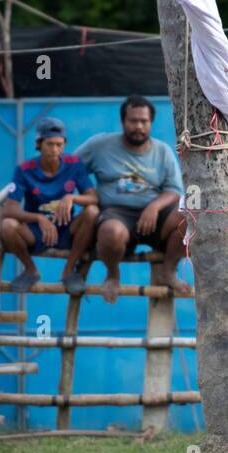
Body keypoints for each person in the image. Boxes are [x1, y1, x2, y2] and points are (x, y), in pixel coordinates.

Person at [71, 96, 188, 302]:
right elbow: (70, 169)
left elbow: (174, 190)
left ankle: (169, 271)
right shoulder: (100, 145)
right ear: (123, 121)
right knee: (111, 232)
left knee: (189, 220)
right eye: (133, 121)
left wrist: (153, 207)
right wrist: (85, 196)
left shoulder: (163, 151)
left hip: (156, 216)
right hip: (115, 213)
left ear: (151, 123)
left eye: (144, 121)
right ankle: (113, 274)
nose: (139, 126)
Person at [0, 117, 100, 295]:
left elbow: (93, 198)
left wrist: (72, 198)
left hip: (67, 229)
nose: (55, 150)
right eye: (50, 144)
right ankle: (30, 270)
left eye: (59, 145)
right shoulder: (24, 169)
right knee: (8, 225)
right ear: (39, 144)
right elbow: (9, 209)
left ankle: (69, 271)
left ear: (64, 145)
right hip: (36, 232)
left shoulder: (74, 164)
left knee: (92, 212)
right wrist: (38, 218)